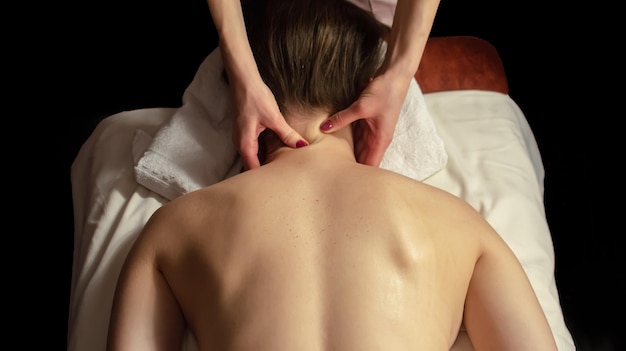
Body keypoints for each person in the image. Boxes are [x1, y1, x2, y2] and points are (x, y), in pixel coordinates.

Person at [106, 0, 559, 350]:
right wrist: (400, 67)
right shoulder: (461, 227)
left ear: (244, 111)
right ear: (368, 112)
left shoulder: (173, 230)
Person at [206, 0, 441, 170]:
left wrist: (398, 73)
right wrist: (242, 74)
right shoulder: (452, 217)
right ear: (362, 87)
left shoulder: (187, 215)